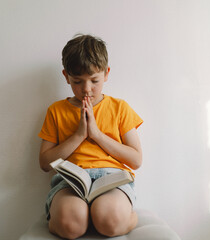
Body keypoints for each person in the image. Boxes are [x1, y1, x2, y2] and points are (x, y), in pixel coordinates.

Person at [38, 34, 143, 239]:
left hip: (112, 180)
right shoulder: (56, 111)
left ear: (106, 74)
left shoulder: (119, 108)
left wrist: (96, 135)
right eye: (77, 82)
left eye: (94, 80)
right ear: (66, 76)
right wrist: (79, 135)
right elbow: (44, 163)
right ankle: (63, 221)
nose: (87, 89)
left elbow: (136, 160)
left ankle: (131, 218)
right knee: (70, 226)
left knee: (109, 220)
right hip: (71, 180)